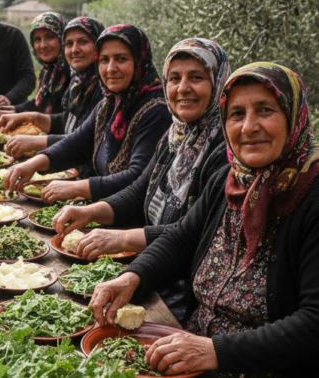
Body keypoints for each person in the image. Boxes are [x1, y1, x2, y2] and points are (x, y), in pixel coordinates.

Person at [90, 63, 319, 377]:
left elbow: (313, 323)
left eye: (265, 110)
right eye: (236, 114)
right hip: (190, 351)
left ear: (294, 116)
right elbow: (182, 240)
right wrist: (132, 278)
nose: (249, 126)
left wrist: (214, 351)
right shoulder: (230, 179)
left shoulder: (311, 195)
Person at [53, 38, 232, 322]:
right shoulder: (176, 135)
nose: (183, 88)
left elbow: (195, 235)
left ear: (218, 83)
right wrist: (89, 211)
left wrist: (121, 238)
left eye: (196, 77)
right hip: (152, 274)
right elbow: (139, 192)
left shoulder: (226, 151)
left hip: (183, 296)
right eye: (175, 78)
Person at [4, 24, 172, 202]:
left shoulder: (157, 111)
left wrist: (77, 188)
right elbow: (77, 143)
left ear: (139, 60)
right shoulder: (110, 104)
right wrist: (33, 164)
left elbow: (137, 179)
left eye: (121, 59)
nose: (110, 68)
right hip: (103, 207)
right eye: (104, 60)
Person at [0, 16, 106, 173]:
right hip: (70, 163)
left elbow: (88, 141)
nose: (75, 49)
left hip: (87, 174)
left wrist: (37, 142)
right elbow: (68, 120)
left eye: (83, 42)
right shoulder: (79, 81)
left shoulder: (104, 88)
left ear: (99, 45)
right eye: (69, 44)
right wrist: (24, 114)